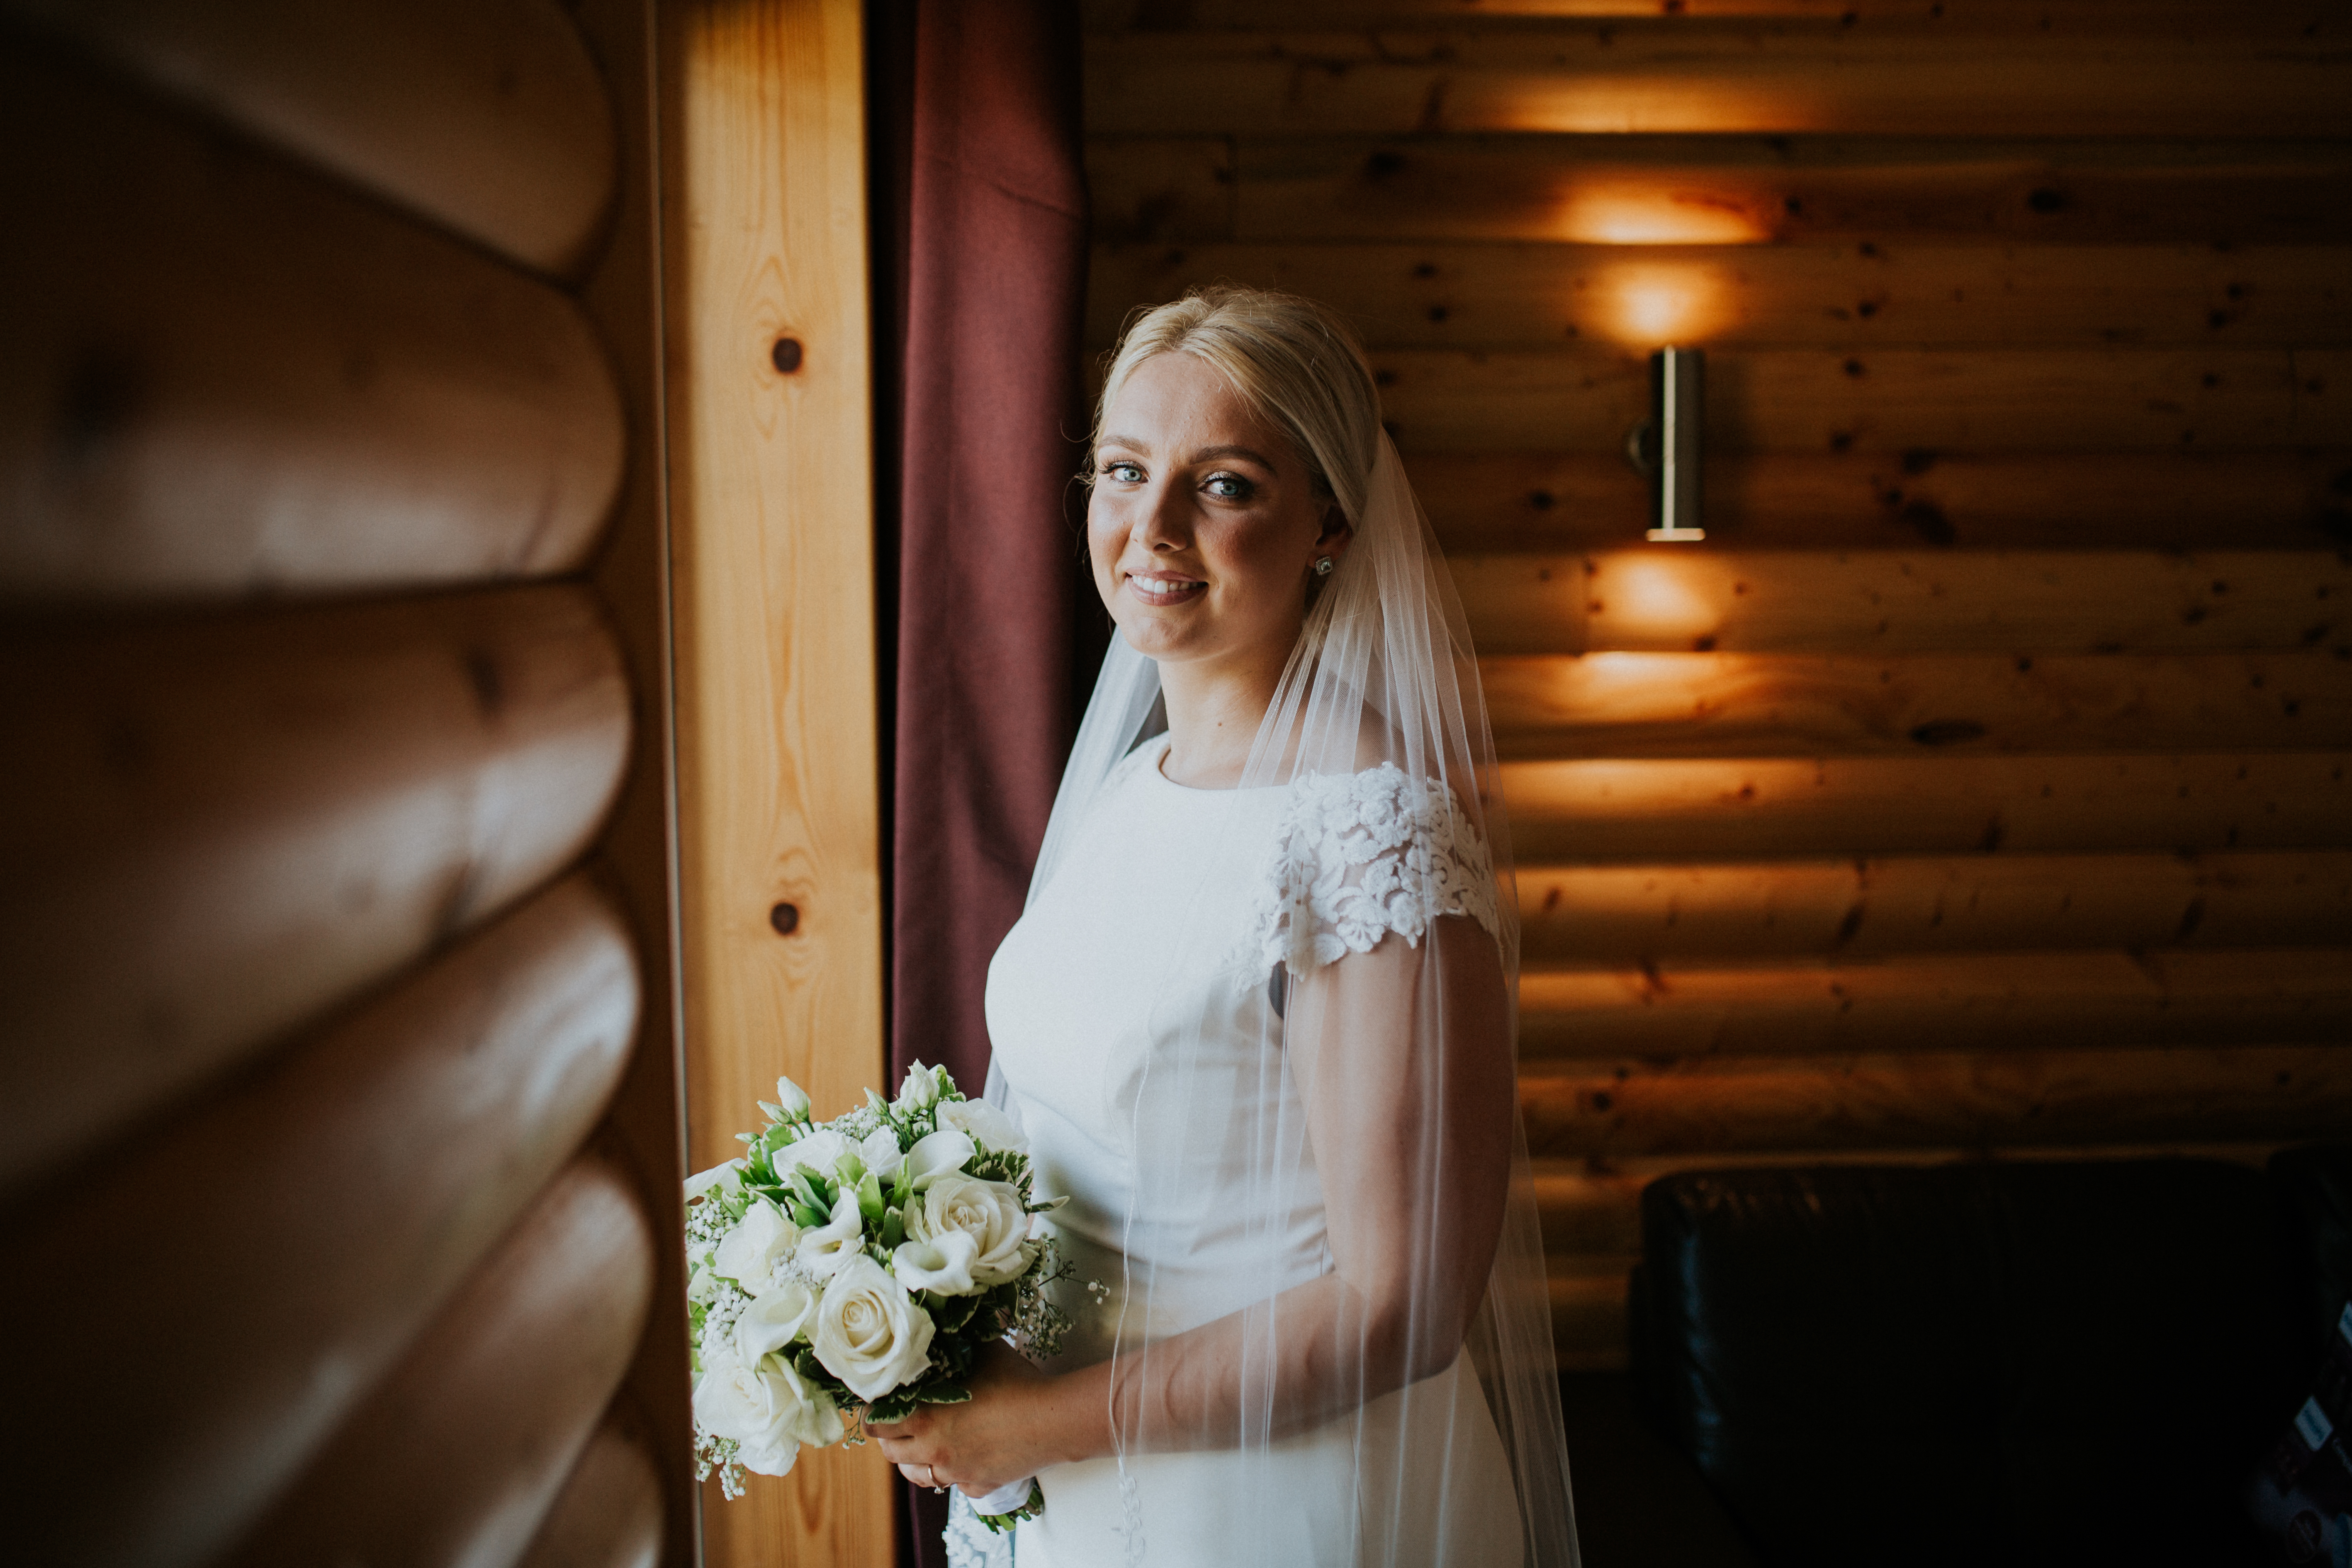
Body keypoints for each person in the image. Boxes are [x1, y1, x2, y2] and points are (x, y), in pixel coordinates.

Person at [869, 287, 1580, 1567]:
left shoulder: (1370, 837)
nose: (1153, 529)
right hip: (1068, 1490)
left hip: (1270, 1508)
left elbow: (1400, 1303)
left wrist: (1047, 1425)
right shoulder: (1132, 793)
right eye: (1127, 471)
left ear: (1331, 524)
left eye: (1227, 485)